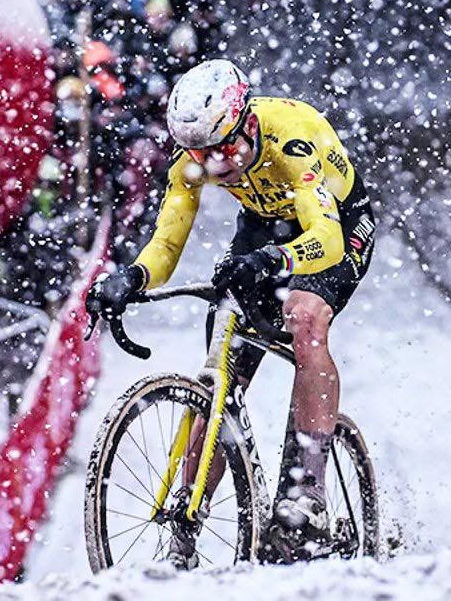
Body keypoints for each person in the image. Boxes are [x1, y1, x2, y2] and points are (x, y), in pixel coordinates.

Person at [85, 59, 376, 566]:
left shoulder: (293, 138)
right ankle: (186, 516)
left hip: (337, 226)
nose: (216, 164)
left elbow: (326, 240)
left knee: (304, 317)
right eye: (202, 154)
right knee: (221, 367)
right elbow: (167, 241)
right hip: (265, 225)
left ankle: (307, 488)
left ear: (248, 121)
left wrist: (271, 260)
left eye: (225, 149)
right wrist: (130, 277)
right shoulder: (194, 160)